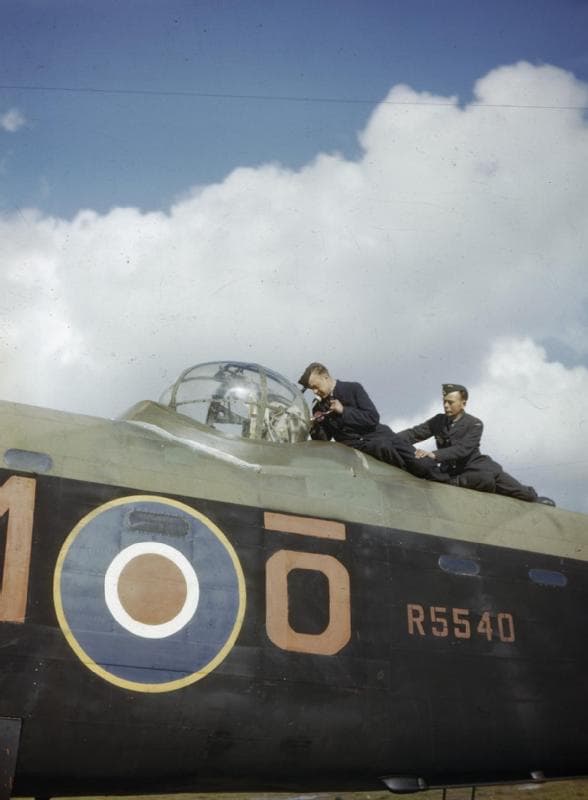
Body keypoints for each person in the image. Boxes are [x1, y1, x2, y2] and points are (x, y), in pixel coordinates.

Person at [397, 383, 555, 505]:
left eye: (450, 402)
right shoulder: (438, 420)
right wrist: (391, 438)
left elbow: (462, 449)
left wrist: (434, 454)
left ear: (463, 403)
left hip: (476, 466)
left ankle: (536, 499)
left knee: (522, 493)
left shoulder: (475, 424)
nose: (446, 406)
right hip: (453, 472)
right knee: (481, 481)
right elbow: (414, 433)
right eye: (444, 402)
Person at [297, 362, 438, 479]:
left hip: (383, 437)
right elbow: (324, 440)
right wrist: (314, 425)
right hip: (362, 449)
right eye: (311, 389)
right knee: (384, 448)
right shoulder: (318, 407)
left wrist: (344, 411)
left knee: (425, 465)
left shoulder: (353, 388)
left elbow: (372, 418)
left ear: (326, 377)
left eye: (316, 387)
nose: (314, 392)